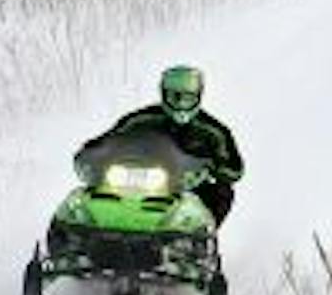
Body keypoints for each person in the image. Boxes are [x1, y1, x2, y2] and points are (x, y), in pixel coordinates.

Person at [77, 64, 245, 227]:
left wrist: (214, 167)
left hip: (187, 188)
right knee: (86, 194)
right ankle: (82, 234)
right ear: (164, 94)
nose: (181, 103)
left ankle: (201, 237)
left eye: (188, 97)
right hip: (137, 182)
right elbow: (109, 140)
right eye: (175, 96)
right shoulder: (140, 120)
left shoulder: (214, 131)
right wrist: (94, 152)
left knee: (222, 192)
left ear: (198, 96)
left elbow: (235, 169)